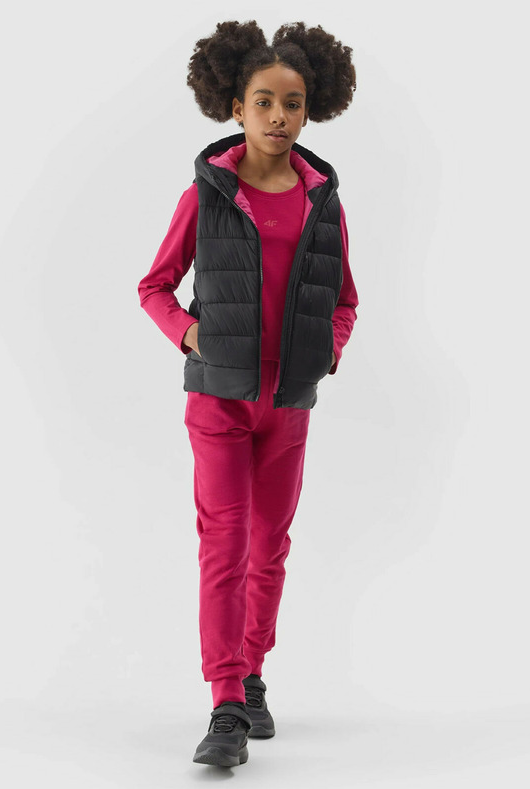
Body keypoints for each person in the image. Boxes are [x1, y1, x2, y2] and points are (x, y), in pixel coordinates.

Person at [137, 19, 359, 767]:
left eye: (292, 103)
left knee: (270, 547)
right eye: (262, 101)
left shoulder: (322, 202)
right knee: (225, 543)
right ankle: (226, 700)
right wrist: (188, 334)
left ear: (310, 110)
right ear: (235, 107)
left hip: (288, 404)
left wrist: (330, 348)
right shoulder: (207, 196)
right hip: (219, 401)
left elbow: (346, 298)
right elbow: (154, 286)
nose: (277, 116)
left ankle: (254, 672)